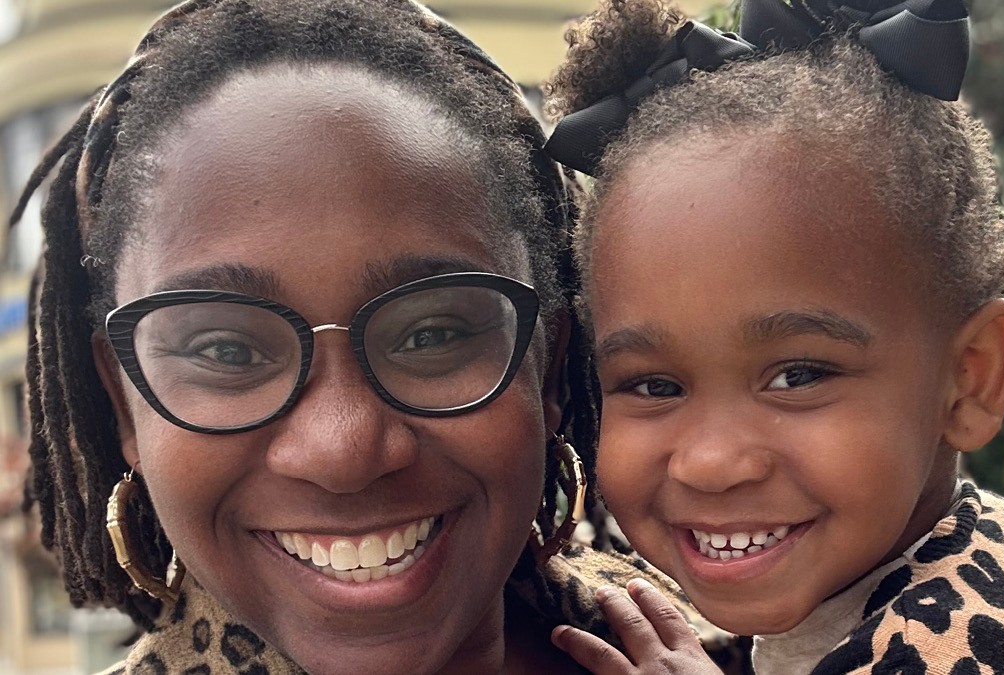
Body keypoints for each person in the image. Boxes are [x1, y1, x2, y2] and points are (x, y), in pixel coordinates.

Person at [11, 1, 742, 672]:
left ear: (544, 366)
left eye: (431, 334)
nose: (344, 449)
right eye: (227, 351)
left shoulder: (766, 645)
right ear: (123, 398)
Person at [542, 0, 1004, 673]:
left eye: (798, 374)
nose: (711, 461)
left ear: (971, 376)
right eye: (655, 385)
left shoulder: (953, 650)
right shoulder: (954, 562)